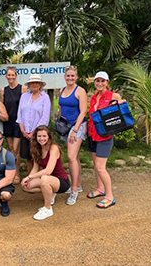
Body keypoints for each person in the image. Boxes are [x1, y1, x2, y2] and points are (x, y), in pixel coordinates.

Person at [86, 71, 124, 209]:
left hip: (105, 136)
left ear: (107, 82)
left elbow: (120, 109)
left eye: (103, 81)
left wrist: (120, 103)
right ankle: (100, 188)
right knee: (96, 164)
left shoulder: (113, 96)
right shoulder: (94, 97)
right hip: (92, 134)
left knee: (100, 167)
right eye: (97, 81)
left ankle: (110, 197)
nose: (100, 83)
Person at [21, 125, 70, 220]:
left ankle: (47, 208)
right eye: (39, 136)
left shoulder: (53, 148)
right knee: (26, 187)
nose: (41, 138)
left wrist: (29, 177)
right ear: (35, 137)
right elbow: (35, 168)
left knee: (44, 179)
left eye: (44, 136)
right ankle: (49, 192)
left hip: (61, 181)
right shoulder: (36, 148)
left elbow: (48, 170)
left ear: (49, 137)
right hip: (48, 179)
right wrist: (28, 178)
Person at [58, 65, 88, 205]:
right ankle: (79, 184)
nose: (70, 78)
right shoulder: (62, 90)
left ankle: (74, 189)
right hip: (65, 127)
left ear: (76, 77)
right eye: (68, 76)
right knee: (74, 157)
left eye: (72, 76)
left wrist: (75, 130)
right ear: (65, 77)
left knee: (70, 157)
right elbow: (60, 108)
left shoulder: (80, 91)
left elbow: (83, 112)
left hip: (77, 125)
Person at [17, 74, 51, 174]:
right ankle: (29, 177)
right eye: (32, 82)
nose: (35, 84)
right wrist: (23, 130)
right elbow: (19, 114)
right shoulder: (24, 96)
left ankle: (40, 178)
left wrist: (34, 133)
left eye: (37, 82)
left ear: (40, 84)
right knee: (28, 156)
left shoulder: (45, 97)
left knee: (39, 157)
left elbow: (45, 117)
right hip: (25, 132)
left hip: (39, 134)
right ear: (29, 84)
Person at [0, 66, 22, 184]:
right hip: (7, 122)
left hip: (18, 122)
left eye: (12, 75)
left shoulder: (22, 88)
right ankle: (10, 172)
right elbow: (1, 106)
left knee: (16, 149)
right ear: (6, 76)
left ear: (16, 75)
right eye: (9, 75)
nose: (11, 77)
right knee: (10, 149)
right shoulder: (3, 90)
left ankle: (17, 173)